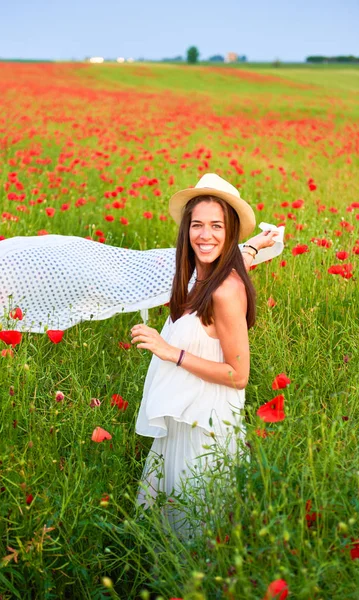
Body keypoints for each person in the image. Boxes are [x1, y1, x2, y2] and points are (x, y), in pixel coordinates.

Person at [131, 173, 280, 535]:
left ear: (230, 231)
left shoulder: (225, 290)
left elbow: (238, 375)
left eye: (216, 226)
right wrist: (255, 246)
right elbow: (237, 258)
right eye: (197, 224)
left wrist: (171, 352)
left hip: (205, 432)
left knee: (195, 533)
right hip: (185, 420)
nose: (205, 235)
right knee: (173, 529)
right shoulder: (204, 274)